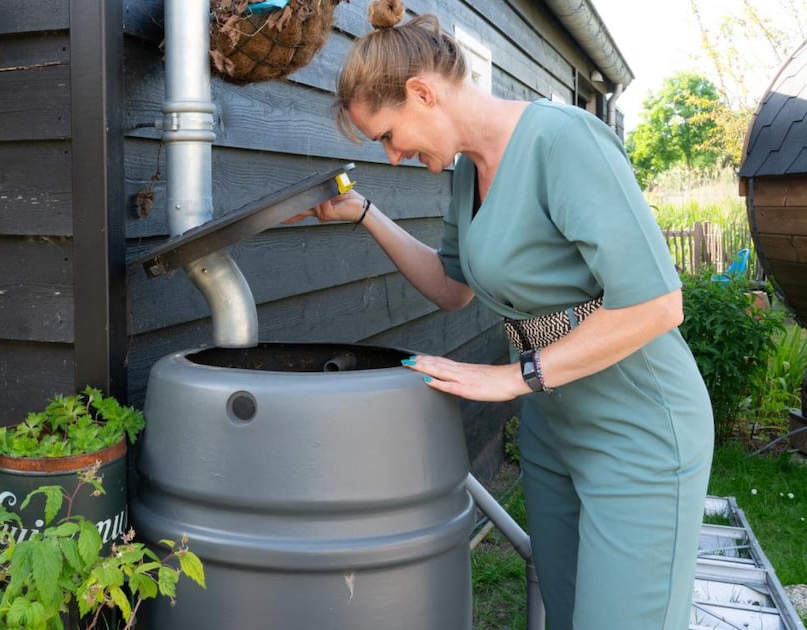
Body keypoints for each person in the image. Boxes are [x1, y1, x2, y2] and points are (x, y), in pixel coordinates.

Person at [288, 1, 714, 629]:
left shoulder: (562, 140)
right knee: (567, 615)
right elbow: (453, 287)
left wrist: (515, 377)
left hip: (638, 426)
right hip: (553, 429)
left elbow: (656, 303)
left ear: (422, 93)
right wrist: (366, 215)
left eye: (386, 135)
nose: (393, 155)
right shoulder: (467, 172)